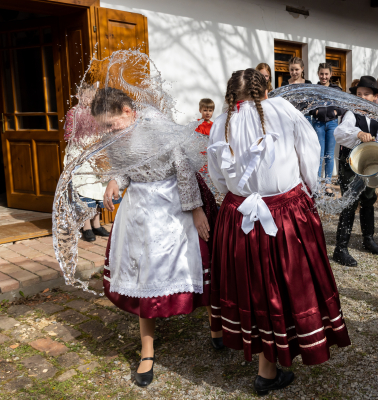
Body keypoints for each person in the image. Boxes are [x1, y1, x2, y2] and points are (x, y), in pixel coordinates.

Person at [207, 69, 351, 395]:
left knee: (252, 286)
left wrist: (237, 198)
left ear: (232, 94)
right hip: (284, 212)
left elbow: (217, 176)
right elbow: (310, 152)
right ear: (266, 89)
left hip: (238, 213)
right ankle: (268, 371)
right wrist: (309, 191)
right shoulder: (284, 111)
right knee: (284, 285)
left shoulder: (221, 121)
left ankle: (262, 357)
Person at [96, 87, 217, 387]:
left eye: (111, 124)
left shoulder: (155, 125)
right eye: (104, 127)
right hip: (139, 210)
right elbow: (126, 170)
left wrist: (196, 210)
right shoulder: (114, 136)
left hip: (173, 203)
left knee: (196, 264)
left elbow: (183, 167)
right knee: (144, 275)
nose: (108, 131)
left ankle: (217, 326)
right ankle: (147, 349)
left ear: (128, 110)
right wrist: (115, 180)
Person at [332, 76, 378, 267]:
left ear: (375, 96)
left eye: (366, 94)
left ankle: (368, 239)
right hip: (350, 165)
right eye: (359, 94)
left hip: (369, 165)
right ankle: (340, 248)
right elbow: (340, 133)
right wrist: (358, 134)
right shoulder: (351, 113)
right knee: (350, 202)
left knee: (368, 199)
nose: (362, 97)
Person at [63, 84, 114, 242]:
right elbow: (68, 135)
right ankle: (86, 226)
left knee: (98, 188)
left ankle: (96, 224)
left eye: (92, 97)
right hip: (80, 153)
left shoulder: (97, 112)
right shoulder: (74, 113)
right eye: (86, 96)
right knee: (84, 188)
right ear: (79, 96)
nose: (89, 99)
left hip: (96, 153)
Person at [309, 63, 344, 196]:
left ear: (330, 74)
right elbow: (308, 105)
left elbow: (343, 105)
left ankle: (328, 185)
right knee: (319, 154)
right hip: (318, 123)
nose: (324, 76)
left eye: (326, 74)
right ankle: (317, 185)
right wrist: (316, 111)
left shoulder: (336, 89)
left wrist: (336, 112)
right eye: (321, 74)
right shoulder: (314, 88)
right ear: (318, 74)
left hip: (332, 123)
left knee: (329, 155)